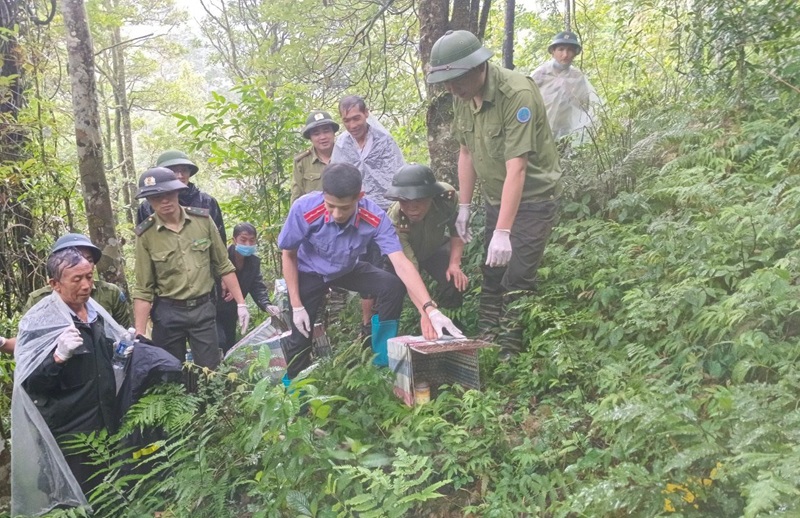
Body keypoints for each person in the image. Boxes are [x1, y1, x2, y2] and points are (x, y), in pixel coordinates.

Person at [427, 30, 562, 359]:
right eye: (445, 82)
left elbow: (518, 167)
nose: (451, 89)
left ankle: (509, 349)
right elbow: (466, 153)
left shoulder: (516, 93)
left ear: (477, 68)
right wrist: (463, 206)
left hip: (533, 198)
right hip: (494, 196)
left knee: (518, 275)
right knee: (492, 268)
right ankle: (488, 334)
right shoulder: (462, 98)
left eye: (456, 80)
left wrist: (503, 231)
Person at [278, 163, 462, 379]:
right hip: (308, 273)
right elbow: (288, 255)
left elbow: (402, 263)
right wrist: (296, 304)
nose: (337, 214)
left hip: (347, 269)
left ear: (359, 196)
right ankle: (293, 393)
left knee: (391, 285)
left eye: (344, 208)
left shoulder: (374, 217)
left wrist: (429, 309)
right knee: (301, 335)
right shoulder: (305, 209)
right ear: (323, 196)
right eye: (331, 206)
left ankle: (382, 360)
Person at [12, 247, 124, 513]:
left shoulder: (94, 313)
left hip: (105, 422)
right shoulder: (39, 321)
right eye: (77, 279)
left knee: (110, 498)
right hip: (70, 433)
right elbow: (31, 386)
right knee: (76, 503)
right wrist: (58, 357)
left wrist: (122, 352)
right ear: (55, 284)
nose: (86, 285)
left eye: (89, 277)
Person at [132, 167, 249, 369]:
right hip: (168, 312)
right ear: (149, 201)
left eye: (168, 194)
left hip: (202, 309)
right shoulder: (146, 234)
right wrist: (140, 332)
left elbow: (223, 264)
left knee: (209, 372)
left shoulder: (202, 221)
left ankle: (210, 401)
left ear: (178, 191)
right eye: (156, 197)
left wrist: (241, 303)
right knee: (170, 372)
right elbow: (143, 288)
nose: (164, 201)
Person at [331, 95, 406, 337]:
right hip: (354, 214)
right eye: (347, 121)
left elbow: (398, 173)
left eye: (356, 118)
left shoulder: (384, 140)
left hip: (383, 212)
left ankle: (383, 324)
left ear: (366, 114)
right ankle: (366, 327)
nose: (353, 125)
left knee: (384, 266)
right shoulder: (341, 145)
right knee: (361, 266)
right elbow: (336, 177)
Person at [0, 233, 132, 354]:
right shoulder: (40, 300)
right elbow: (28, 344)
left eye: (89, 260)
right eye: (75, 260)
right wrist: (4, 343)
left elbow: (122, 332)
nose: (83, 264)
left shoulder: (110, 293)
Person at [385, 164, 468, 309]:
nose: (412, 208)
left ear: (431, 196)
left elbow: (457, 229)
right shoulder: (396, 219)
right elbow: (409, 268)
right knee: (390, 292)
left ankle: (452, 322)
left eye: (419, 200)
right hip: (403, 258)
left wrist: (455, 264)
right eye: (405, 201)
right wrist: (427, 307)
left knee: (453, 278)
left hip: (434, 249)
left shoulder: (447, 197)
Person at [216, 222, 281, 353]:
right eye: (243, 240)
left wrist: (267, 305)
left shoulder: (253, 263)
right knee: (218, 343)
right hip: (213, 311)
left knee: (229, 345)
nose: (248, 244)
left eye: (252, 240)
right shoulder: (221, 259)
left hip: (233, 312)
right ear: (234, 240)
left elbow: (257, 286)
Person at [136, 150, 226, 242]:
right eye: (174, 171)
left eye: (184, 170)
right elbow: (143, 242)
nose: (180, 175)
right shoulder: (146, 207)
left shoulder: (206, 201)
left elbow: (219, 240)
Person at [531, 31, 601, 145]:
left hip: (563, 133)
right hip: (538, 130)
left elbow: (586, 106)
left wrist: (570, 92)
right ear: (553, 52)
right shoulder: (541, 73)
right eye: (561, 49)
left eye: (570, 50)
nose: (565, 54)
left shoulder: (577, 77)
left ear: (575, 53)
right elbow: (525, 98)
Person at [291, 110, 339, 202]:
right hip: (313, 214)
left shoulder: (346, 155)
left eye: (326, 131)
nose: (323, 137)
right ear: (310, 138)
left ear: (333, 133)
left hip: (342, 213)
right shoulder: (302, 162)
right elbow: (297, 196)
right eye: (316, 134)